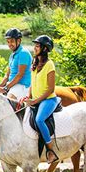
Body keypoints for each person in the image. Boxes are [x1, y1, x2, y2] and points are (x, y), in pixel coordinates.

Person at [25, 35, 60, 164]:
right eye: (35, 45)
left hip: (48, 100)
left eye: (37, 46)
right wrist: (28, 96)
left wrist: (35, 101)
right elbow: (32, 84)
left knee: (39, 120)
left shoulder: (49, 65)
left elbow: (51, 89)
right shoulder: (34, 63)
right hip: (35, 99)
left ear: (45, 49)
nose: (34, 48)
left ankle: (50, 151)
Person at [0, 28, 32, 100]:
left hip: (22, 86)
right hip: (12, 85)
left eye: (12, 41)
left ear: (18, 41)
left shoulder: (23, 53)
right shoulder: (12, 55)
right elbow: (7, 76)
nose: (10, 44)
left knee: (8, 102)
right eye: (8, 42)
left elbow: (20, 75)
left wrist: (6, 88)